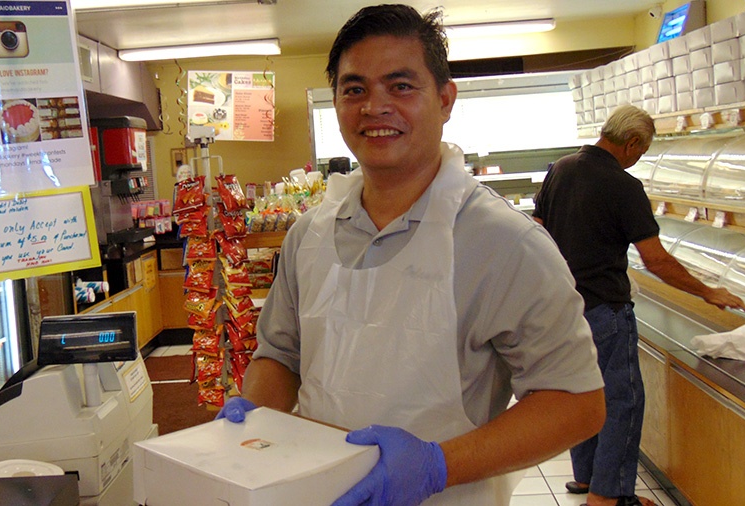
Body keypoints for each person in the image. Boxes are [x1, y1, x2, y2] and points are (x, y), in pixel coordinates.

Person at [218, 4, 606, 505]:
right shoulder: (307, 236)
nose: (374, 107)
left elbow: (577, 402)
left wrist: (436, 466)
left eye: (401, 86)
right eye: (354, 89)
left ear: (445, 99)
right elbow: (281, 356)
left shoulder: (507, 244)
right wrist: (254, 419)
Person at [532, 104, 745, 506]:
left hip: (563, 308)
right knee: (622, 401)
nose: (638, 159)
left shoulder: (561, 168)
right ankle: (608, 496)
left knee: (581, 391)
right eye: (641, 152)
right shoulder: (623, 186)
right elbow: (657, 259)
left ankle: (586, 478)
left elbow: (537, 230)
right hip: (605, 310)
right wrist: (709, 292)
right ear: (631, 143)